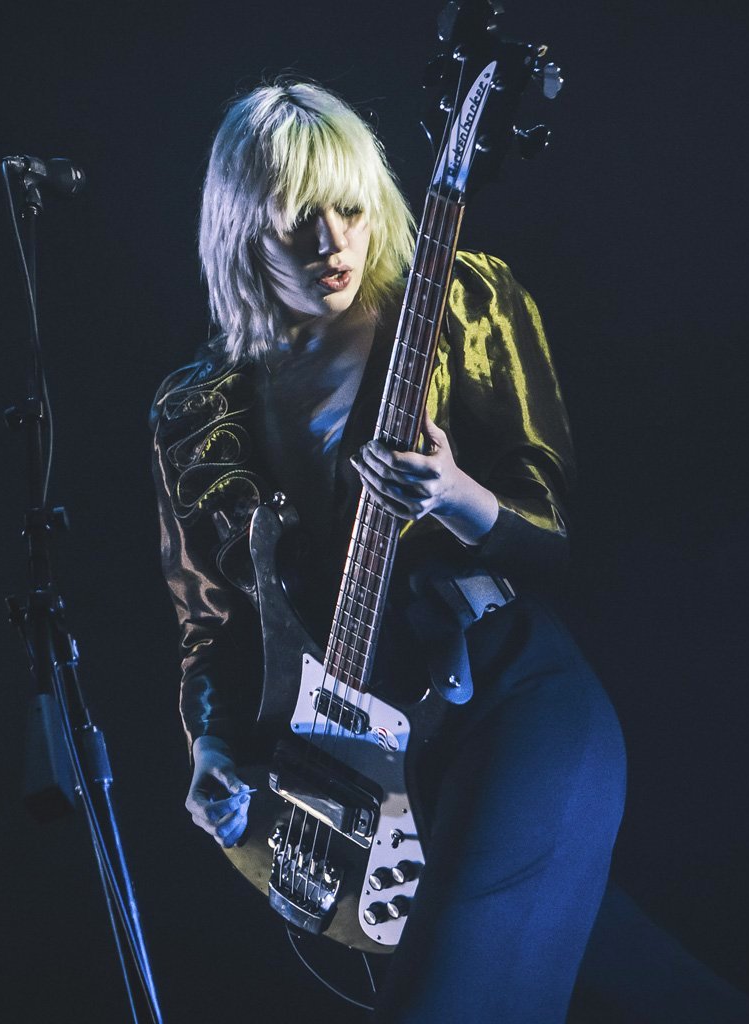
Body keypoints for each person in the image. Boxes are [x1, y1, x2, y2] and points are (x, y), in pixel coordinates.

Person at [151, 80, 627, 1022]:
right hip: (348, 770)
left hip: (506, 699)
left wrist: (459, 498)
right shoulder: (193, 409)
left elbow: (566, 549)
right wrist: (211, 745)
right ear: (243, 230)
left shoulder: (464, 303)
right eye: (297, 222)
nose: (332, 243)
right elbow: (209, 620)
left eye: (351, 210)